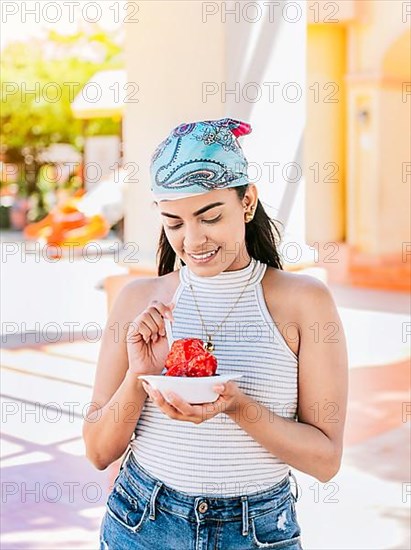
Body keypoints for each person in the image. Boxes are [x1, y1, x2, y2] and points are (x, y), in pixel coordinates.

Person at [83, 117, 348, 550]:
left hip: (257, 532)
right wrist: (139, 375)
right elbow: (97, 452)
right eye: (174, 223)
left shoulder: (305, 302)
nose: (192, 240)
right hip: (142, 523)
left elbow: (325, 460)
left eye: (210, 216)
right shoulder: (137, 302)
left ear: (247, 203)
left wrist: (237, 406)